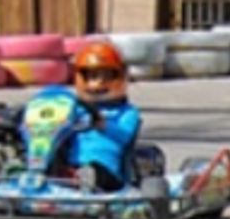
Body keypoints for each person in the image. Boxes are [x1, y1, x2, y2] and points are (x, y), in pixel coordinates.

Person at [25, 39, 143, 191]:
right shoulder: (74, 108)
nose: (98, 83)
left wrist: (105, 125)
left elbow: (125, 135)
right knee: (53, 154)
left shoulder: (127, 112)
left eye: (105, 76)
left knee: (94, 170)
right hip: (73, 165)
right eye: (92, 76)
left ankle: (86, 179)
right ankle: (31, 174)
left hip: (107, 170)